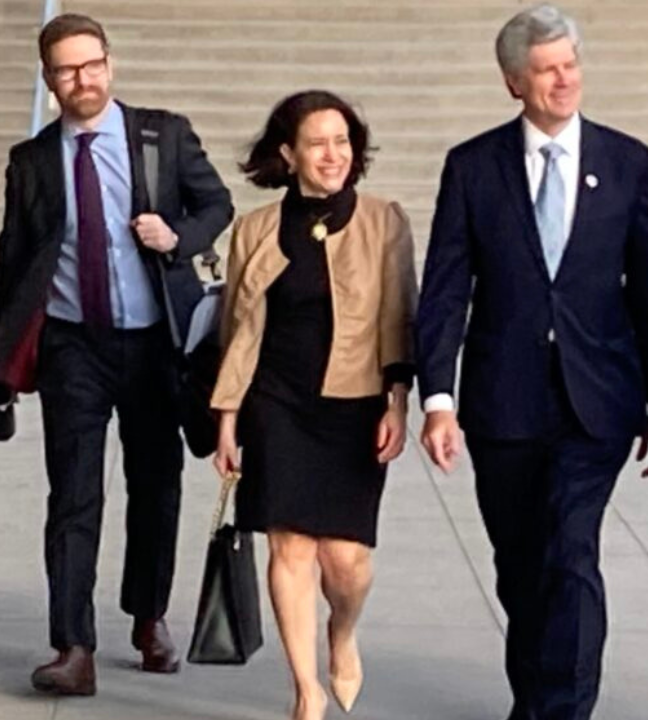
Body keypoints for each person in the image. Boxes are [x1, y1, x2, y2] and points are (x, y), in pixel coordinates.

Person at [416, 5, 648, 718]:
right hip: (504, 403)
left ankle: (561, 709)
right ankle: (534, 698)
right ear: (514, 82)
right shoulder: (473, 167)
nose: (564, 80)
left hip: (598, 402)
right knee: (521, 565)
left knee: (570, 548)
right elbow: (446, 289)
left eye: (571, 65)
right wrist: (437, 399)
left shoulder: (627, 162)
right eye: (545, 70)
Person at [0, 13, 233, 696]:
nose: (82, 79)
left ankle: (149, 618)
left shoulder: (162, 136)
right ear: (49, 79)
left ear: (109, 65)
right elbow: (12, 257)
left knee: (156, 488)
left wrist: (175, 237)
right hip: (72, 346)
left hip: (154, 343)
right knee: (72, 495)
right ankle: (73, 646)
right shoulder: (31, 161)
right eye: (67, 70)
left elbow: (217, 205)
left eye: (92, 65)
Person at [210, 91, 416, 720]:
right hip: (277, 403)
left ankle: (342, 633)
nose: (333, 155)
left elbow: (399, 318)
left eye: (342, 141)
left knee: (346, 561)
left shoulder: (385, 221)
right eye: (318, 143)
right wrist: (227, 419)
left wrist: (398, 402)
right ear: (289, 153)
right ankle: (306, 691)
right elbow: (236, 330)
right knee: (291, 550)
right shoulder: (255, 230)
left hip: (355, 405)